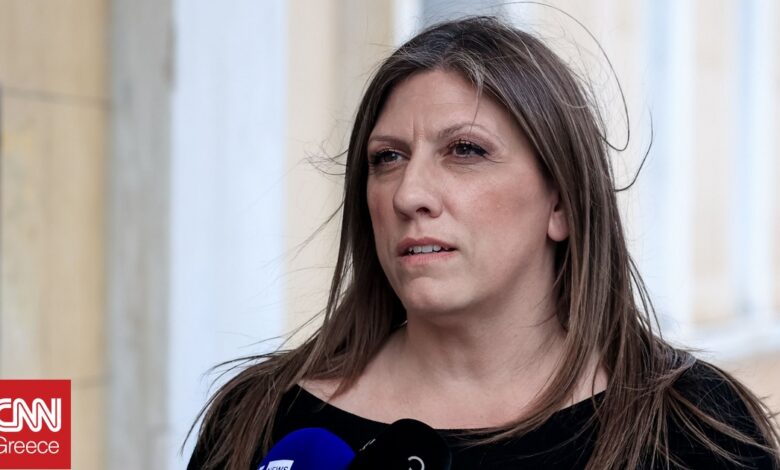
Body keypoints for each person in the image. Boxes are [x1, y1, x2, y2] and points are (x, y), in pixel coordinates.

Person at [187, 16, 780, 469]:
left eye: (465, 150)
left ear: (561, 203)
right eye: (387, 158)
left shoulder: (696, 430)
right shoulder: (262, 419)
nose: (409, 194)